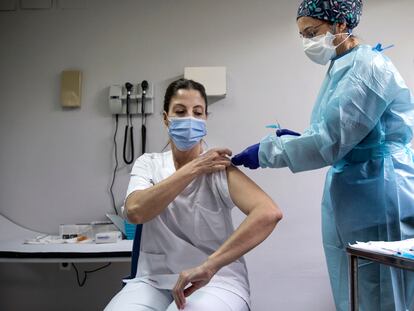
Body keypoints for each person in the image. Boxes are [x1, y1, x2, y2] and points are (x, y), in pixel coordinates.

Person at [232, 1, 414, 310]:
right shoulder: (341, 66)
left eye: (312, 33)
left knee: (382, 291)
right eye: (303, 35)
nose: (307, 43)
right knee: (353, 285)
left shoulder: (368, 68)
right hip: (354, 190)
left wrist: (266, 152)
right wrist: (297, 139)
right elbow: (334, 130)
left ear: (341, 24)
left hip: (380, 192)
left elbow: (329, 141)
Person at [105, 78, 282, 311]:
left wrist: (210, 265)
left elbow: (269, 213)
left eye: (197, 113)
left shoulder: (219, 168)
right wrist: (195, 167)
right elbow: (135, 212)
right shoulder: (149, 164)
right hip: (153, 281)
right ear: (166, 118)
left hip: (216, 281)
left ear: (206, 118)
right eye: (180, 111)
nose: (190, 118)